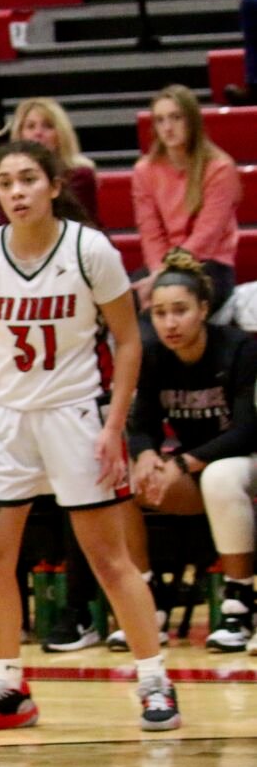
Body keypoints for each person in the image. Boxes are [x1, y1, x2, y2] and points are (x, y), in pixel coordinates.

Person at [0, 140, 179, 734]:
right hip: (4, 420)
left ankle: (155, 680)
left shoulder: (89, 250)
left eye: (28, 179)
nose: (17, 191)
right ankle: (8, 688)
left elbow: (128, 341)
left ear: (53, 186)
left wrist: (113, 424)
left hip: (75, 415)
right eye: (5, 182)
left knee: (109, 558)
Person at [129, 250, 257, 651]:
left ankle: (239, 606)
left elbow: (247, 431)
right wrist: (147, 456)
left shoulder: (240, 349)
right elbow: (141, 424)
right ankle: (147, 602)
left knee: (221, 476)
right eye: (160, 312)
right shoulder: (153, 357)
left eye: (180, 311)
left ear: (203, 309)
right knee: (120, 482)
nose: (170, 322)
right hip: (194, 466)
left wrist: (182, 461)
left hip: (244, 462)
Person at [133, 85, 241, 308]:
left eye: (176, 118)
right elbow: (151, 233)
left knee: (171, 309)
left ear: (192, 121)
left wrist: (164, 275)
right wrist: (158, 271)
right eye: (160, 120)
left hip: (210, 265)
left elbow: (206, 237)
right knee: (122, 300)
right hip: (162, 265)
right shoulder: (144, 170)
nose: (168, 127)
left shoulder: (219, 168)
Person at [8, 98, 99, 225]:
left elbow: (77, 223)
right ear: (20, 134)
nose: (38, 133)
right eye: (30, 126)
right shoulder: (7, 179)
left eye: (48, 126)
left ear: (61, 134)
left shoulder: (80, 175)